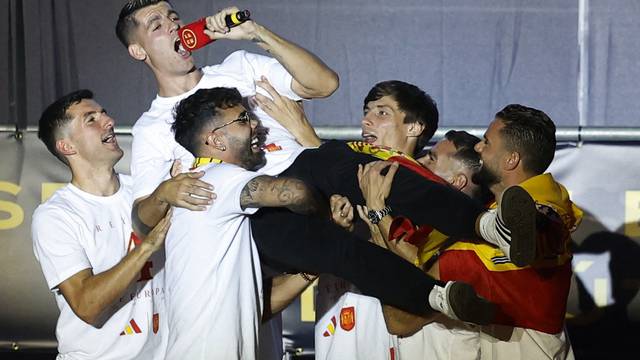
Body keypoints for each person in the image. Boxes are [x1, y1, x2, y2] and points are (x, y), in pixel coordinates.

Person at [116, 2, 338, 357]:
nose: (173, 25)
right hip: (244, 249)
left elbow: (324, 84)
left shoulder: (239, 67)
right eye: (156, 24)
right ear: (138, 50)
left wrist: (256, 33)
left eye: (174, 17)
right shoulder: (152, 128)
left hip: (308, 208)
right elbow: (143, 221)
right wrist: (165, 192)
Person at [165, 87, 324, 359]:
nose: (256, 126)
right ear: (215, 140)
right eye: (242, 120)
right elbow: (295, 193)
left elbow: (258, 305)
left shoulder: (209, 187)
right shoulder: (218, 176)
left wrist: (314, 264)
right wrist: (327, 217)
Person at [31, 90, 169, 359]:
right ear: (67, 146)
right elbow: (87, 305)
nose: (109, 121)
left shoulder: (146, 193)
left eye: (104, 113)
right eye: (90, 119)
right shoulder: (56, 215)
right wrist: (146, 247)